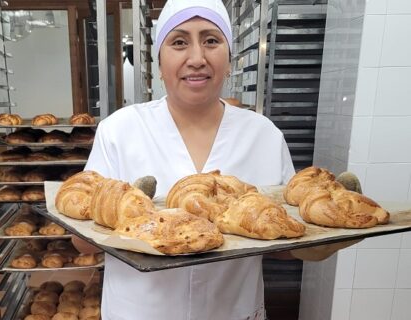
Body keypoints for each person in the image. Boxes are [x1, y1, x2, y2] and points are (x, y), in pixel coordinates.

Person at [75, 0, 295, 319]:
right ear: (160, 62)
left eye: (211, 40)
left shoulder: (264, 135)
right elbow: (82, 241)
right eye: (179, 42)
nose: (197, 58)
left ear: (230, 59)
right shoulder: (120, 131)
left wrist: (326, 242)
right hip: (141, 311)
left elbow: (287, 243)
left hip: (232, 310)